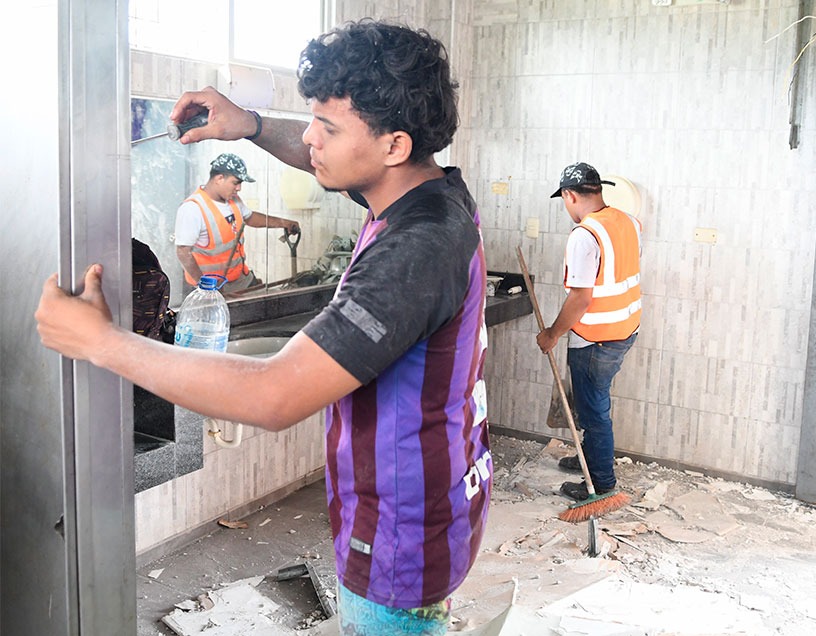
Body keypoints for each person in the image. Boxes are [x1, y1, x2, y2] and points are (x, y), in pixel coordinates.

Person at [36, 19, 491, 636]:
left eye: (327, 127)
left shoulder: (415, 248)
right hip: (437, 503)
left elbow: (273, 396)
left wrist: (101, 341)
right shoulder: (429, 194)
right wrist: (247, 124)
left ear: (395, 145)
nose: (310, 139)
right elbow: (318, 157)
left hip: (401, 539)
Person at [536, 162, 641, 502]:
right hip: (626, 330)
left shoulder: (585, 235)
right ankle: (588, 458)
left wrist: (552, 333)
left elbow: (581, 298)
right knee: (593, 403)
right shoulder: (628, 222)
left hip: (595, 338)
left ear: (570, 195)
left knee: (593, 410)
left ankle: (601, 482)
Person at [175, 152, 300, 296]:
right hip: (210, 289)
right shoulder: (193, 209)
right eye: (236, 182)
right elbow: (183, 252)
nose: (239, 188)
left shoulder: (233, 200)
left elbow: (250, 217)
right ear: (219, 178)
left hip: (240, 281)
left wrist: (284, 223)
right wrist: (205, 287)